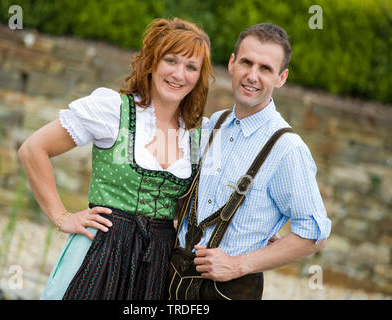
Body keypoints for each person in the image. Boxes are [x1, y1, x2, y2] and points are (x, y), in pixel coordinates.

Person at [18, 17, 214, 300]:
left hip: (156, 265)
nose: (179, 74)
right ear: (152, 62)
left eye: (191, 67)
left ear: (198, 77)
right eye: (171, 60)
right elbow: (33, 149)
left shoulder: (198, 135)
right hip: (101, 252)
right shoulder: (113, 110)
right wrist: (62, 217)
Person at [173, 23, 332, 300]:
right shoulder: (212, 127)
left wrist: (238, 264)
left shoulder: (287, 149)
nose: (252, 76)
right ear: (233, 64)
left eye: (265, 68)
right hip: (171, 280)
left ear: (281, 78)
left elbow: (313, 234)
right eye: (247, 62)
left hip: (230, 291)